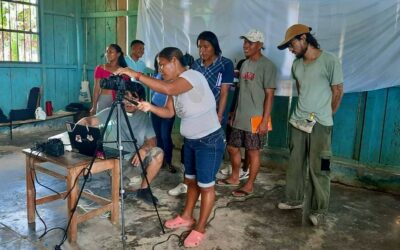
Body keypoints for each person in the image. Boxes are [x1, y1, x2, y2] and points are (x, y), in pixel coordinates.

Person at [115, 47, 225, 248]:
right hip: (191, 142)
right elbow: (168, 112)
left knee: (206, 186)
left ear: (174, 61)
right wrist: (149, 107)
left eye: (162, 65)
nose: (161, 70)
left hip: (209, 141)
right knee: (191, 182)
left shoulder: (192, 76)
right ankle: (186, 217)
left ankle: (200, 228)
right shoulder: (174, 86)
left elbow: (167, 89)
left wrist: (134, 74)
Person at [277, 24, 344, 226]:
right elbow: (301, 89)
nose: (290, 49)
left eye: (292, 44)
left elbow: (338, 90)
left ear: (304, 38)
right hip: (298, 121)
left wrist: (327, 114)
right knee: (296, 164)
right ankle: (294, 199)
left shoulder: (330, 60)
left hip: (321, 125)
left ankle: (319, 209)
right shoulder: (296, 65)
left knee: (321, 167)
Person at [168, 31, 235, 197]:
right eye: (199, 47)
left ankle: (204, 186)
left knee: (207, 150)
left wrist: (220, 114)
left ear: (214, 47)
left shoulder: (225, 64)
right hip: (194, 114)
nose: (202, 51)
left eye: (206, 47)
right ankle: (187, 183)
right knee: (189, 148)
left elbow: (225, 92)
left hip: (212, 114)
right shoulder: (196, 65)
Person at [79, 84, 164, 204]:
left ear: (141, 101)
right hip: (114, 161)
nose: (128, 102)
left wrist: (144, 150)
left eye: (133, 98)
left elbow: (152, 140)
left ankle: (144, 190)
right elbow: (90, 120)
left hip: (134, 159)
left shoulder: (144, 117)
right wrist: (81, 124)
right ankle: (119, 186)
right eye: (126, 97)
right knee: (95, 174)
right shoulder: (112, 111)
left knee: (158, 153)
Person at [218, 29, 276, 198]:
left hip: (256, 118)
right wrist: (233, 112)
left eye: (250, 43)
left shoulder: (268, 66)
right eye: (245, 42)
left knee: (253, 152)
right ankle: (235, 177)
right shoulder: (244, 64)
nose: (245, 46)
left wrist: (265, 121)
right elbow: (241, 91)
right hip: (240, 116)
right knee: (232, 147)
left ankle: (249, 185)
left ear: (260, 45)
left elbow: (270, 95)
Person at [150, 54, 177, 173]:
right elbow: (153, 91)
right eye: (159, 64)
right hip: (155, 107)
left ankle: (169, 161)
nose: (161, 67)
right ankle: (161, 161)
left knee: (166, 136)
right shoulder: (157, 75)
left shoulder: (174, 77)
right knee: (159, 136)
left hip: (168, 110)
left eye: (163, 64)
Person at [90, 44, 128, 115]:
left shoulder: (124, 70)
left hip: (119, 100)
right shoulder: (101, 68)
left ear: (118, 54)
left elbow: (126, 89)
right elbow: (96, 89)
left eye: (111, 52)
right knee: (101, 123)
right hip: (104, 99)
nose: (107, 54)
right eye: (107, 52)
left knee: (117, 123)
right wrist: (94, 106)